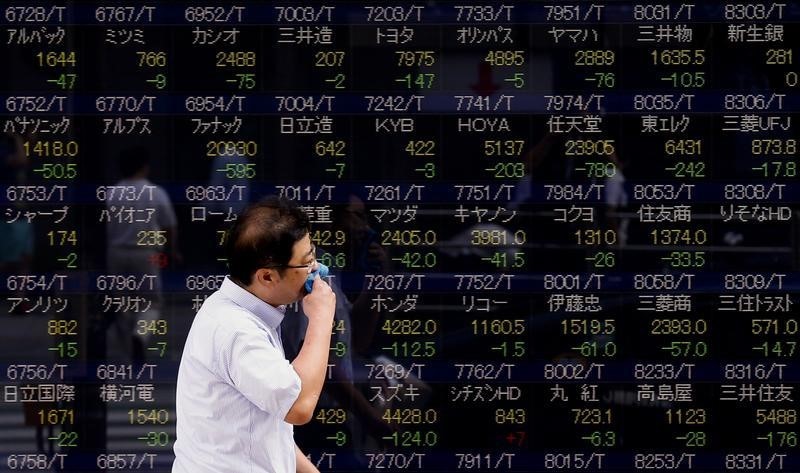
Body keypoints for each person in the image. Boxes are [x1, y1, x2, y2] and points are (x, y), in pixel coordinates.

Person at [172, 196, 336, 473]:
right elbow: (298, 405)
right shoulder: (237, 331)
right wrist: (322, 317)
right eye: (306, 263)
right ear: (267, 277)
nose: (316, 271)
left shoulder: (245, 311)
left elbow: (267, 430)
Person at [105, 146, 178, 361]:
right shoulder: (155, 192)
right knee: (151, 302)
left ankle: (128, 347)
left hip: (116, 252)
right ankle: (140, 335)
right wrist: (172, 251)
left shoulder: (112, 193)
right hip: (147, 253)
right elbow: (169, 225)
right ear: (144, 167)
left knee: (121, 302)